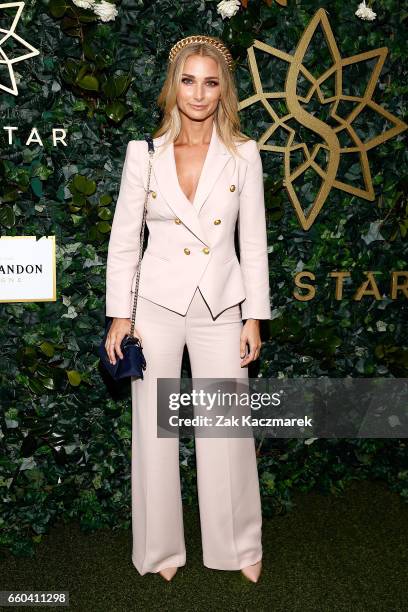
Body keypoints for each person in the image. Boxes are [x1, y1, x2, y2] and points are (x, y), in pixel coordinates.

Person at [104, 35, 271, 583]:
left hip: (222, 304)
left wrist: (254, 316)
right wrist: (120, 315)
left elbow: (253, 241)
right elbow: (126, 241)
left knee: (225, 428)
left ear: (223, 91)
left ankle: (238, 546)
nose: (198, 92)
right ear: (172, 86)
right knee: (155, 433)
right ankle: (159, 549)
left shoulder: (243, 154)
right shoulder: (143, 155)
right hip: (155, 304)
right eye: (188, 80)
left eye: (211, 81)